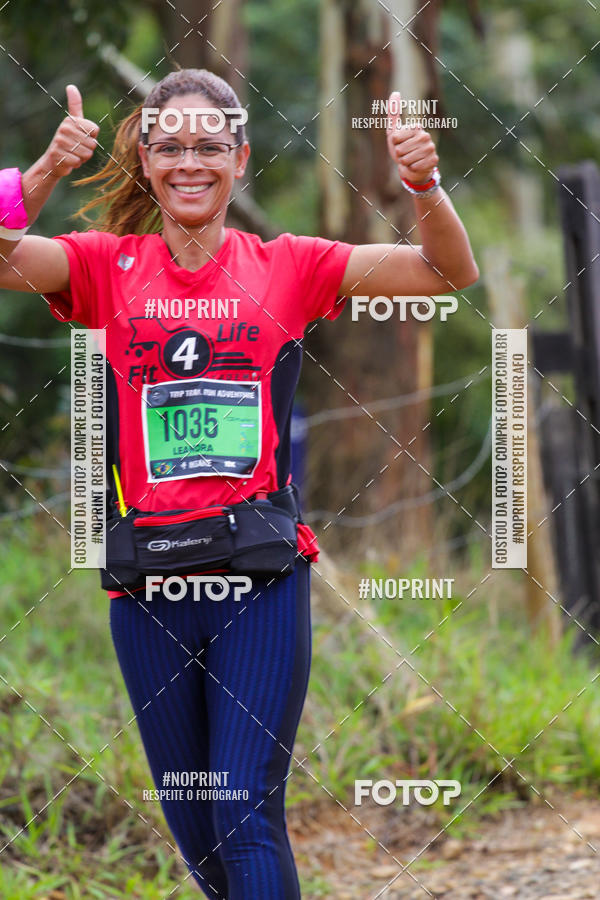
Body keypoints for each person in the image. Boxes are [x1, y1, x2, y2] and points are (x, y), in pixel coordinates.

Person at [0, 68, 478, 898]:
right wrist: (40, 174)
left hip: (259, 578)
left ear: (242, 159)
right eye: (172, 145)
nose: (192, 161)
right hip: (146, 585)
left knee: (241, 813)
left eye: (210, 145)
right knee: (200, 837)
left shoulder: (290, 266)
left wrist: (425, 185)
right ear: (146, 161)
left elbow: (448, 273)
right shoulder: (105, 268)